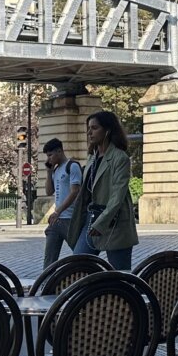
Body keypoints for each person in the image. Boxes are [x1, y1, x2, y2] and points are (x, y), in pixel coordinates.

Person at [66, 111, 136, 271]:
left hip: (115, 222)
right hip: (91, 219)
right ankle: (90, 295)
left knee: (120, 275)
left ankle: (120, 295)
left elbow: (117, 197)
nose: (89, 132)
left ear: (107, 131)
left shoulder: (120, 158)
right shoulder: (91, 157)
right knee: (77, 266)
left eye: (94, 128)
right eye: (88, 128)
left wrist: (101, 222)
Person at [38, 138, 83, 269]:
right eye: (47, 156)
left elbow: (75, 192)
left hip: (70, 219)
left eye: (50, 155)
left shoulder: (72, 166)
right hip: (56, 221)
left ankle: (86, 274)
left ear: (59, 151)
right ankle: (46, 283)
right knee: (49, 259)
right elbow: (49, 191)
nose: (49, 159)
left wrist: (59, 211)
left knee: (80, 252)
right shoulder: (56, 170)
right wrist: (49, 171)